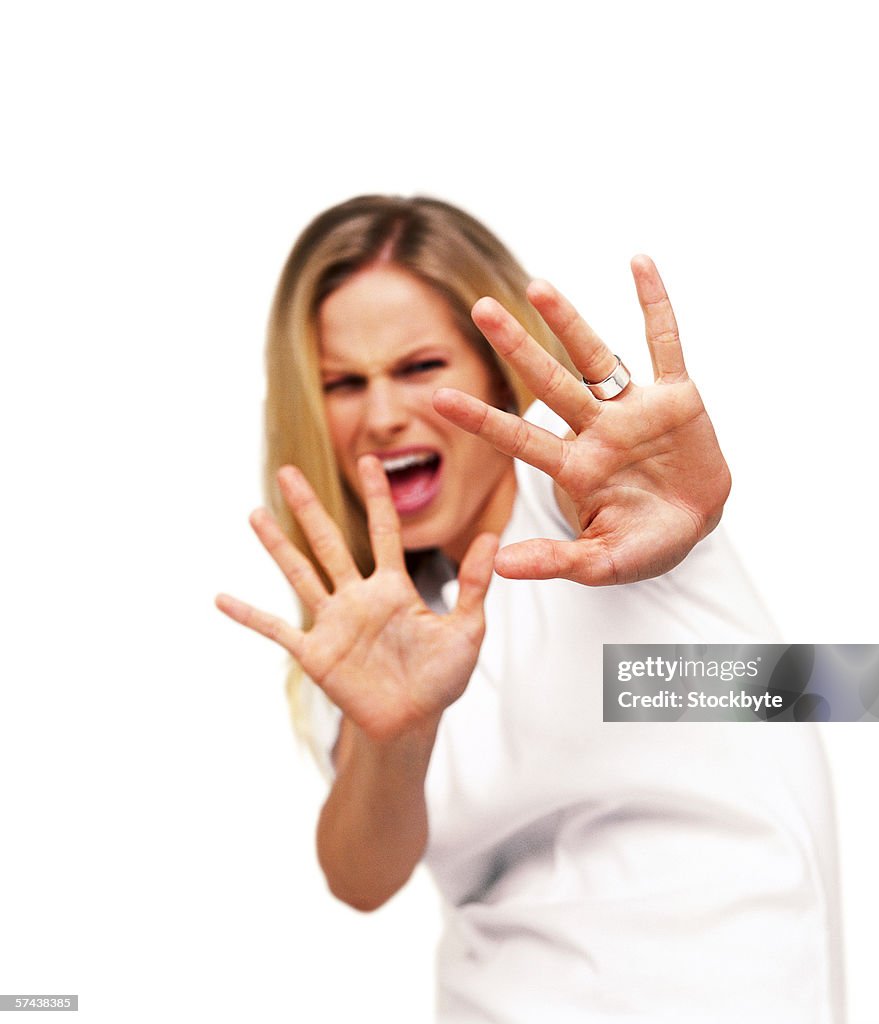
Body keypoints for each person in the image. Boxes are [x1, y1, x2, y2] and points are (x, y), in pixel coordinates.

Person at [216, 195, 844, 1022]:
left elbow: (836, 691)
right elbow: (361, 879)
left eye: (418, 366)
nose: (379, 414)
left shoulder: (577, 492)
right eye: (341, 382)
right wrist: (396, 733)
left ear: (492, 372)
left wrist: (681, 505)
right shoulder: (375, 615)